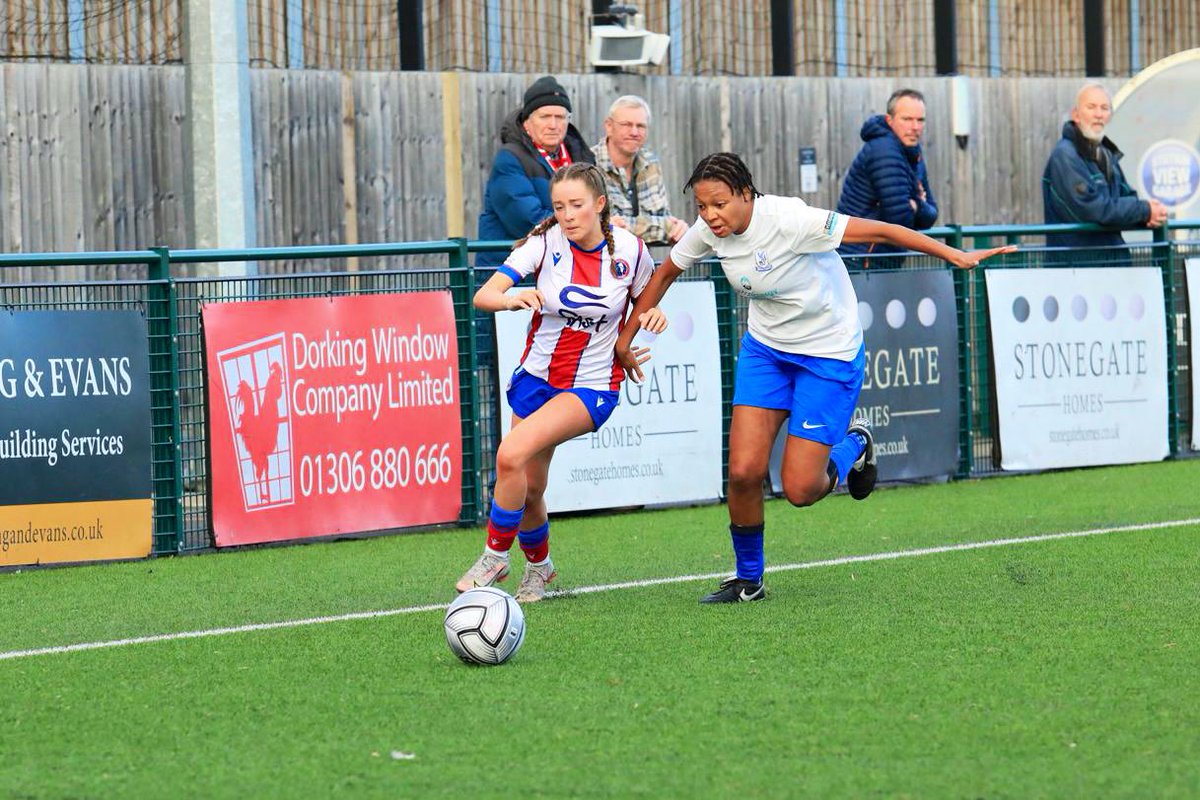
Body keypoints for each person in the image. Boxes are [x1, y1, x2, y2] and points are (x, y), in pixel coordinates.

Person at [615, 153, 1014, 604]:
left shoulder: (792, 220)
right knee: (743, 472)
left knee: (801, 490)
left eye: (720, 204)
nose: (709, 215)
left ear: (746, 194)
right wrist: (624, 340)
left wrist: (954, 254)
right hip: (766, 352)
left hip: (828, 354)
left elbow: (883, 230)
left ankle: (855, 444)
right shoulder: (709, 231)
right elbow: (665, 273)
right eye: (702, 207)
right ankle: (749, 580)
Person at [457, 163, 666, 602]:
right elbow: (483, 295)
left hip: (591, 386)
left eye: (576, 205)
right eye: (559, 206)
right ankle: (540, 569)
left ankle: (495, 556)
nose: (567, 215)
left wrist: (644, 325)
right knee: (530, 488)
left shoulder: (630, 250)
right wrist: (512, 299)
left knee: (509, 454)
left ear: (600, 204)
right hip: (536, 379)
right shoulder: (544, 242)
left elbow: (647, 300)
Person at [476, 76, 596, 267]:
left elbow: (596, 204)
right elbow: (528, 221)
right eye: (545, 117)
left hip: (562, 268)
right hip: (511, 273)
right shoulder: (509, 159)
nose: (553, 125)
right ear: (527, 123)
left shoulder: (582, 157)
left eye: (560, 117)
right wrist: (592, 227)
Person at [1042, 83, 1168, 252]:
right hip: (1077, 263)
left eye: (1104, 108)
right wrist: (1144, 211)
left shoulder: (1106, 153)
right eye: (1091, 107)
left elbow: (1128, 196)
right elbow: (1092, 209)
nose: (1098, 114)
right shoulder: (1065, 155)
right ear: (1076, 115)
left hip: (1111, 259)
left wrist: (1148, 214)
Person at [836, 88, 938, 264]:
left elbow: (931, 214)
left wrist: (916, 205)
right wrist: (917, 204)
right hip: (860, 258)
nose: (915, 127)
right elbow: (900, 220)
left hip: (877, 258)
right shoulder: (884, 150)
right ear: (890, 120)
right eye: (907, 119)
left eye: (920, 120)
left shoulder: (912, 152)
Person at [591, 95, 689, 245]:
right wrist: (664, 227)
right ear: (609, 126)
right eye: (626, 124)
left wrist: (677, 229)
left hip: (642, 258)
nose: (634, 132)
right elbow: (592, 228)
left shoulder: (650, 163)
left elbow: (667, 221)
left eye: (641, 126)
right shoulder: (589, 164)